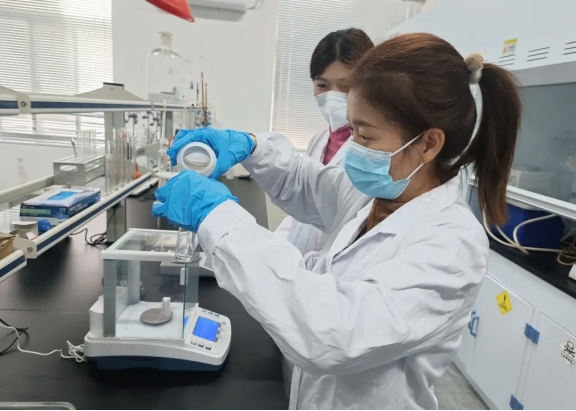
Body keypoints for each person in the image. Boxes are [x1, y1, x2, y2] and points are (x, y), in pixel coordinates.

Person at [155, 32, 521, 409]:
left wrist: (219, 219)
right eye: (352, 130)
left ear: (428, 144)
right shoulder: (380, 193)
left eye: (365, 135)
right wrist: (251, 147)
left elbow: (332, 333)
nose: (351, 147)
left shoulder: (452, 245)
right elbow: (309, 184)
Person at [275, 28, 374, 257]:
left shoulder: (374, 150)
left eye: (345, 86)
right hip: (298, 262)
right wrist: (273, 247)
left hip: (336, 267)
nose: (332, 96)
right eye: (322, 86)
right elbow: (301, 209)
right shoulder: (318, 140)